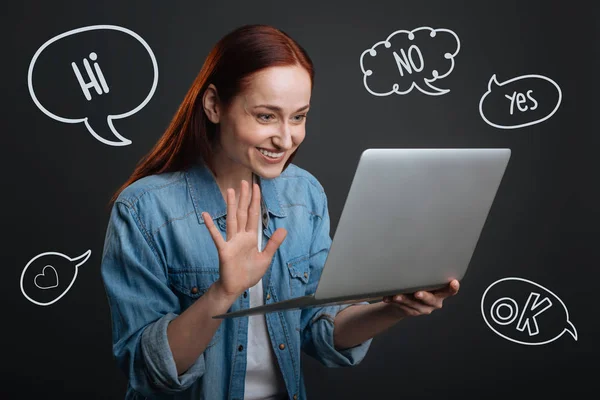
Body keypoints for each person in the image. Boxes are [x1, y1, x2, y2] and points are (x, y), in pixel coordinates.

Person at [100, 24, 460, 400]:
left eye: (299, 116)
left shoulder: (303, 195)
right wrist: (223, 293)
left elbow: (320, 328)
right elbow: (147, 368)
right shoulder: (143, 210)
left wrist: (395, 309)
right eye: (266, 116)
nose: (286, 139)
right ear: (213, 105)